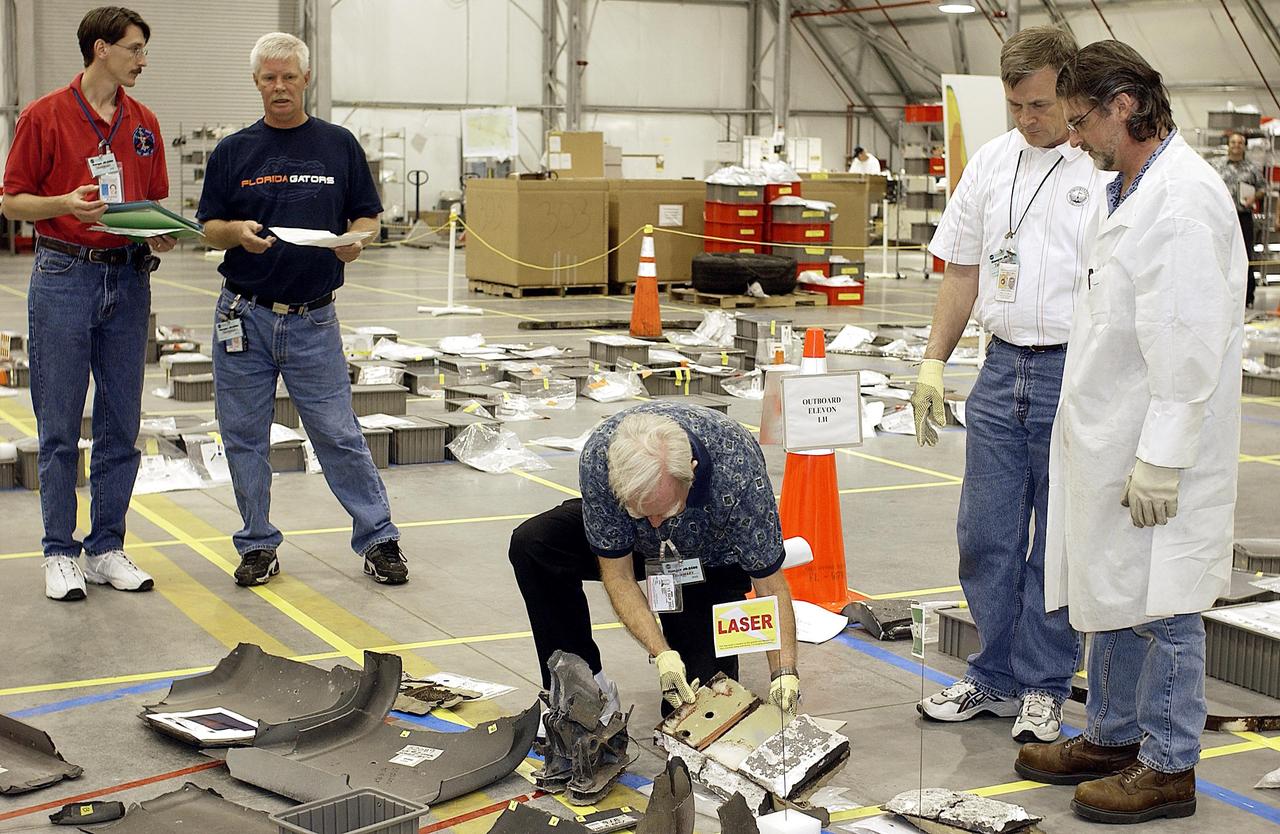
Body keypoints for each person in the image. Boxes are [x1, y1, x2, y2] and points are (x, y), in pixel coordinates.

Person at [1014, 40, 1246, 825]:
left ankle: (1169, 766)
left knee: (1163, 602)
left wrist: (1162, 460)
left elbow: (1187, 345)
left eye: (1081, 122)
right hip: (1113, 433)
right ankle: (1114, 737)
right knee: (1110, 586)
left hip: (1157, 444)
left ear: (1125, 107)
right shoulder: (1130, 188)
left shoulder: (1181, 204)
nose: (1072, 139)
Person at [910, 26, 1105, 743]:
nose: (1030, 119)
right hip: (999, 368)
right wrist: (934, 360)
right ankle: (993, 677)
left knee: (1053, 543)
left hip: (1071, 370)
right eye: (1017, 104)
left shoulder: (1101, 170)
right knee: (984, 534)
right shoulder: (992, 163)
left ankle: (1045, 685)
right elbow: (962, 269)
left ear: (1072, 90)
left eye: (1044, 104)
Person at [197, 32, 408, 588]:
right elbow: (208, 226)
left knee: (337, 433)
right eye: (269, 77)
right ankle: (257, 544)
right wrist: (235, 233)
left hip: (314, 318)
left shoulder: (338, 145)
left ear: (306, 79)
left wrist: (356, 240)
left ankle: (379, 538)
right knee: (243, 435)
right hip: (244, 314)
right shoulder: (232, 151)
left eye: (289, 76)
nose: (280, 86)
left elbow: (368, 217)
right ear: (256, 83)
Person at [1, 6, 171, 602]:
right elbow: (13, 203)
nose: (141, 60)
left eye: (143, 50)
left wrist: (159, 231)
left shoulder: (143, 122)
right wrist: (64, 204)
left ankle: (105, 546)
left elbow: (151, 199)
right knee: (59, 423)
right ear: (101, 49)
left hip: (127, 281)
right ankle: (58, 550)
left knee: (122, 423)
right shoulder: (44, 116)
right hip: (63, 275)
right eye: (134, 49)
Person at [508, 403, 801, 718]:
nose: (657, 523)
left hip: (708, 561)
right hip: (635, 544)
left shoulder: (736, 467)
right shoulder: (599, 459)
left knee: (700, 704)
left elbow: (770, 585)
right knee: (535, 543)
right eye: (642, 511)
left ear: (690, 471)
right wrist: (663, 655)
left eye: (668, 509)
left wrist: (784, 674)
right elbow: (618, 576)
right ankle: (582, 689)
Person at [1210, 132, 1265, 307]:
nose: (1236, 145)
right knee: (1219, 254)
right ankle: (1220, 296)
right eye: (1233, 142)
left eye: (1239, 142)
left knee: (1245, 255)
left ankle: (1248, 297)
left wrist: (1254, 197)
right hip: (1220, 216)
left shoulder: (1252, 168)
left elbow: (1263, 187)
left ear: (1244, 146)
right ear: (1228, 144)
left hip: (1243, 217)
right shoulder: (1216, 166)